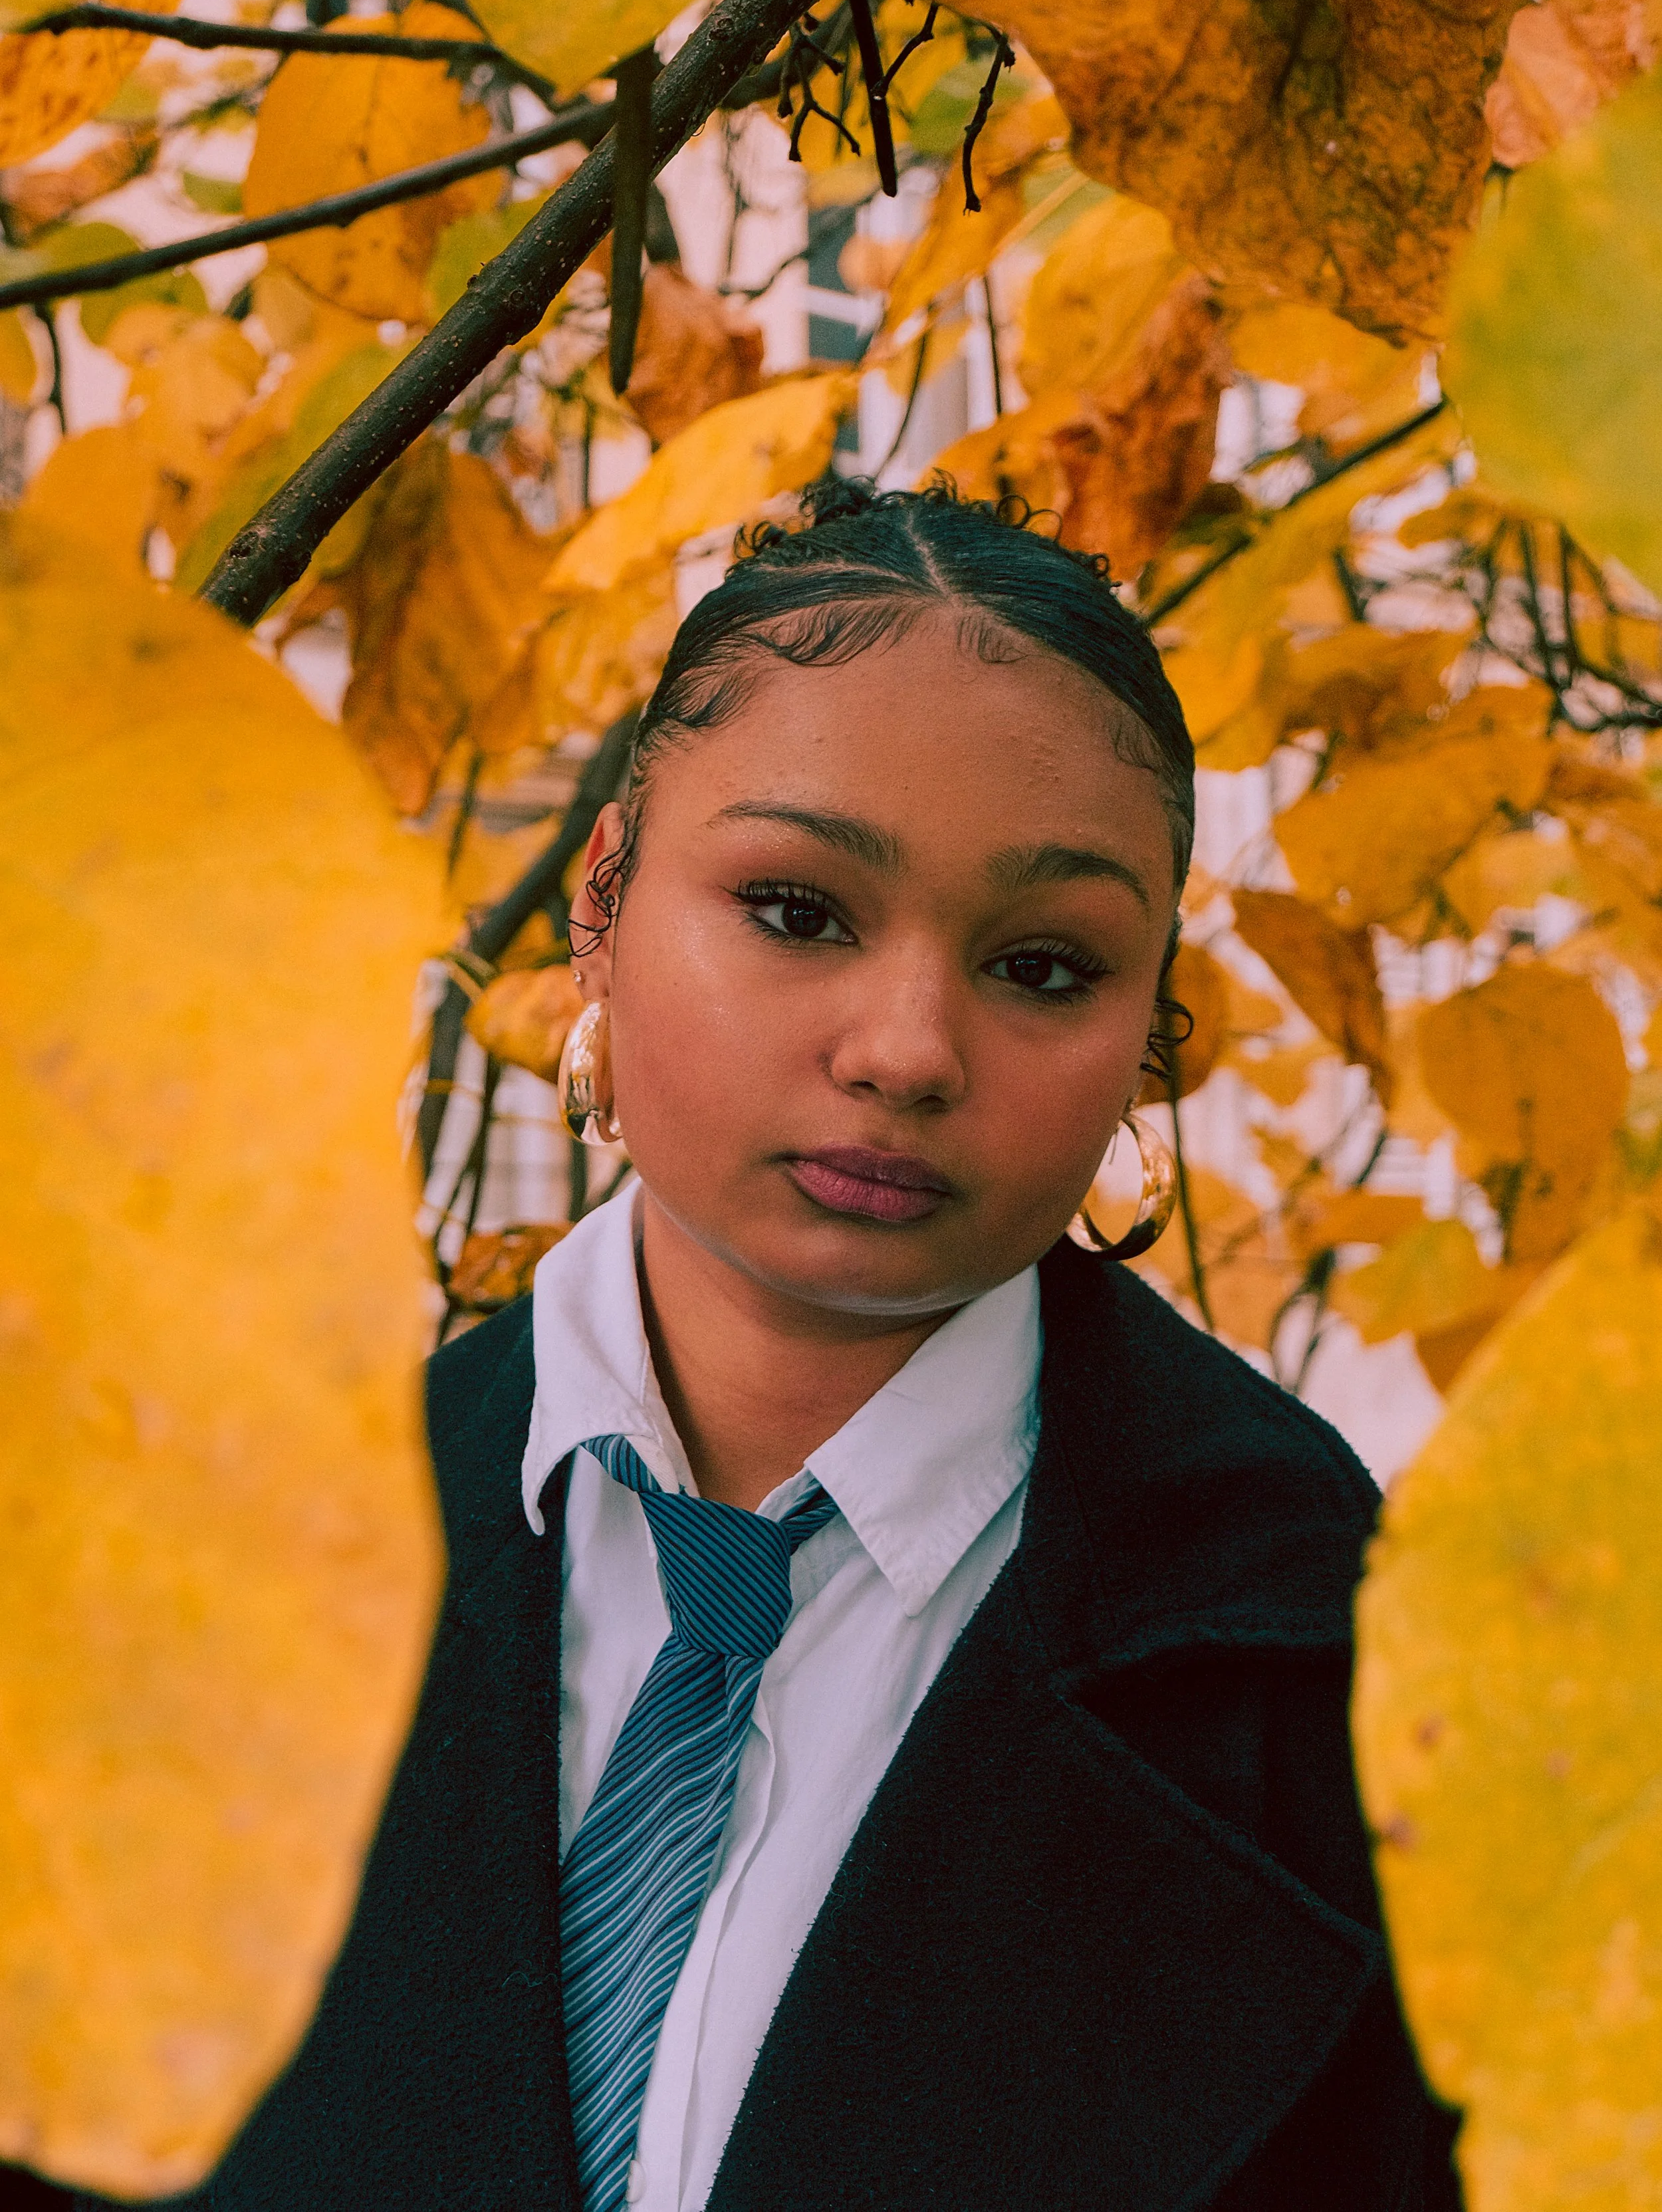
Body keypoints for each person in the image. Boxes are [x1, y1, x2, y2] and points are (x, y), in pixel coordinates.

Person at [42, 480, 1461, 2211]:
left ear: (1148, 1026)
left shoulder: (1357, 1686)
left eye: (1041, 964)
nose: (906, 1047)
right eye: (797, 909)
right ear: (603, 902)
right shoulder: (215, 1569)